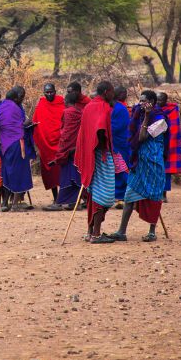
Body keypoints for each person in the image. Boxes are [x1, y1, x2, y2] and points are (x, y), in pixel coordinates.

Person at [109, 90, 167, 242]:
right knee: (129, 196)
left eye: (144, 101)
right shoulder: (138, 115)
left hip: (153, 163)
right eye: (140, 101)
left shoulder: (160, 120)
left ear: (152, 102)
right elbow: (132, 136)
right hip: (139, 163)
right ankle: (121, 231)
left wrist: (147, 116)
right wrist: (144, 115)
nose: (140, 104)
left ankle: (152, 232)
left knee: (154, 197)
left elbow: (141, 137)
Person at [74, 81, 117, 244]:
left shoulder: (89, 106)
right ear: (106, 92)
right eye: (112, 92)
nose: (113, 95)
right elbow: (100, 129)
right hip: (100, 154)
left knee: (94, 193)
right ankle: (97, 234)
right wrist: (102, 146)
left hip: (90, 155)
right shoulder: (103, 107)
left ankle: (90, 232)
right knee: (104, 194)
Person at [0, 86, 36, 211]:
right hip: (17, 144)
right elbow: (18, 126)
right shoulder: (15, 108)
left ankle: (5, 203)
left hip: (4, 145)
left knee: (8, 173)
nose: (22, 99)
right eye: (21, 97)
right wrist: (27, 124)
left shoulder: (2, 107)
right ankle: (14, 205)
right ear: (15, 98)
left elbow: (5, 125)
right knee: (19, 172)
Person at [49, 88, 88, 211]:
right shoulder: (81, 112)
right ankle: (76, 201)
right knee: (76, 173)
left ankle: (61, 201)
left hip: (67, 148)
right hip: (78, 147)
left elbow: (65, 132)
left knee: (66, 175)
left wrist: (61, 150)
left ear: (66, 101)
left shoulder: (67, 112)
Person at [33, 83, 65, 209]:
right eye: (47, 92)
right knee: (51, 173)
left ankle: (65, 198)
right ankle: (56, 199)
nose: (49, 94)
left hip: (61, 145)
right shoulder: (41, 105)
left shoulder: (61, 103)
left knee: (63, 172)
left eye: (51, 92)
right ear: (44, 93)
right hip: (46, 145)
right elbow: (36, 124)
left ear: (55, 91)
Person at [157, 92, 181, 203]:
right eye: (157, 100)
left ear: (166, 101)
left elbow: (174, 129)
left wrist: (169, 143)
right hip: (156, 143)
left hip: (168, 143)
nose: (158, 102)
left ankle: (164, 194)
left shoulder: (172, 110)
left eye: (161, 100)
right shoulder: (153, 110)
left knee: (166, 170)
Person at [111, 86, 131, 209]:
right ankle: (118, 196)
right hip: (115, 144)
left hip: (121, 143)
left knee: (123, 169)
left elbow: (118, 126)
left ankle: (124, 196)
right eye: (123, 93)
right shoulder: (117, 108)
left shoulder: (120, 108)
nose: (125, 95)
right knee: (117, 171)